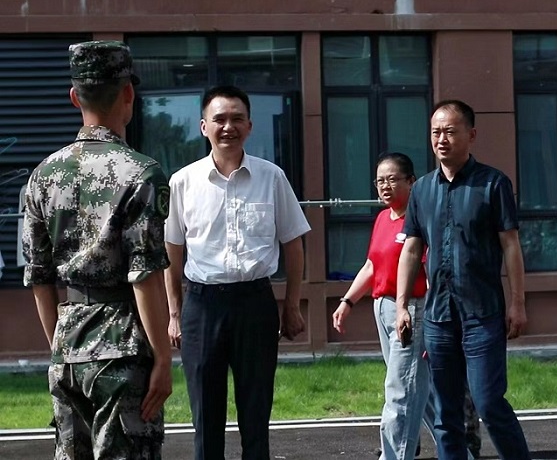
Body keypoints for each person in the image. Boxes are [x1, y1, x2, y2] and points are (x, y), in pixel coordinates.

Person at [22, 40, 172, 459]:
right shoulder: (142, 173)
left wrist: (60, 346)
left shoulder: (42, 176)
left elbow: (39, 276)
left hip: (67, 341)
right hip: (124, 345)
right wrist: (162, 357)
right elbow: (144, 275)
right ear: (129, 94)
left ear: (75, 97)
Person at [164, 85, 311, 460]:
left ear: (249, 126)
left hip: (255, 303)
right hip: (202, 306)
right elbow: (172, 251)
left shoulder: (271, 177)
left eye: (237, 119)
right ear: (204, 127)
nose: (228, 127)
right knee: (205, 417)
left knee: (256, 415)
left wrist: (292, 305)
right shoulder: (183, 182)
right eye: (219, 119)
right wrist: (174, 313)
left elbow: (293, 243)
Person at [395, 100, 531, 460]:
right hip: (438, 317)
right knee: (446, 412)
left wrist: (518, 303)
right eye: (436, 132)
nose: (442, 139)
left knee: (488, 401)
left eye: (450, 132)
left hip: (482, 314)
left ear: (471, 135)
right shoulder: (422, 190)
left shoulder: (493, 184)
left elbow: (511, 246)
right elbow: (411, 249)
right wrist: (402, 305)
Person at [332, 153, 480, 460]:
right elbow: (372, 265)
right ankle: (460, 453)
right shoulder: (382, 219)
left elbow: (433, 271)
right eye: (379, 181)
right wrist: (347, 301)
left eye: (392, 179)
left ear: (411, 182)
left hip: (413, 311)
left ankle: (394, 456)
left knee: (400, 390)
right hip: (383, 307)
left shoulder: (422, 220)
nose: (385, 187)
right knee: (418, 389)